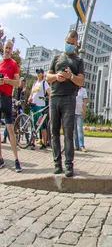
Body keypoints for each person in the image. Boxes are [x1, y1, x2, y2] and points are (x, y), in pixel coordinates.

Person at [46, 31, 84, 177]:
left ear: (76, 45)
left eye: (72, 44)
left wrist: (71, 76)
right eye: (68, 42)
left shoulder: (78, 60)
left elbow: (80, 81)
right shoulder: (56, 58)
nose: (69, 45)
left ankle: (69, 165)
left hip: (69, 98)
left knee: (68, 132)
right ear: (65, 40)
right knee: (54, 131)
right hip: (55, 97)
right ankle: (57, 164)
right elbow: (48, 77)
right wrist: (57, 76)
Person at [0, 40, 22, 172]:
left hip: (7, 98)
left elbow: (18, 83)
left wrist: (9, 81)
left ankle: (16, 159)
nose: (8, 49)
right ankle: (1, 159)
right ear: (3, 48)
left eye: (10, 48)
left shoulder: (13, 64)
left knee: (10, 128)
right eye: (6, 47)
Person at [28, 69, 51, 150]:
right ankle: (32, 142)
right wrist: (29, 98)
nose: (38, 74)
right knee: (34, 124)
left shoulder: (44, 83)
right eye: (37, 73)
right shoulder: (35, 83)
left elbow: (49, 93)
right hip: (33, 105)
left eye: (39, 73)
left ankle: (44, 143)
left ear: (42, 74)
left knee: (41, 125)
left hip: (40, 106)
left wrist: (49, 100)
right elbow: (31, 93)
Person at [74, 86, 88, 152]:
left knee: (80, 130)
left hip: (79, 112)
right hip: (72, 112)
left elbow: (85, 102)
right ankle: (76, 145)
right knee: (74, 130)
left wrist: (83, 111)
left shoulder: (83, 90)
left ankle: (82, 145)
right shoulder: (73, 89)